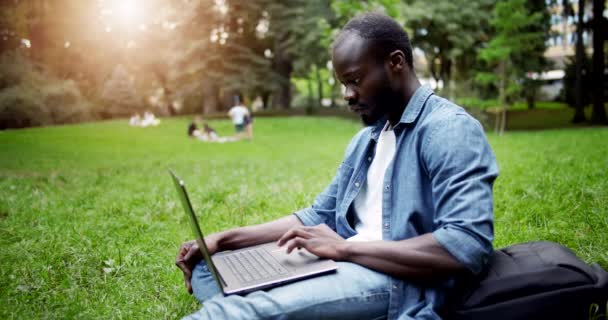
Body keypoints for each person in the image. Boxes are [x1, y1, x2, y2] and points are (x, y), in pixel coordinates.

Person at [176, 12, 499, 320]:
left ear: (396, 62)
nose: (347, 94)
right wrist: (224, 239)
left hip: (396, 280)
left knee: (240, 311)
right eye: (343, 83)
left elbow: (466, 244)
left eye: (355, 80)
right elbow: (321, 215)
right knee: (210, 265)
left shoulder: (449, 129)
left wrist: (344, 250)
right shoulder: (367, 140)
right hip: (341, 259)